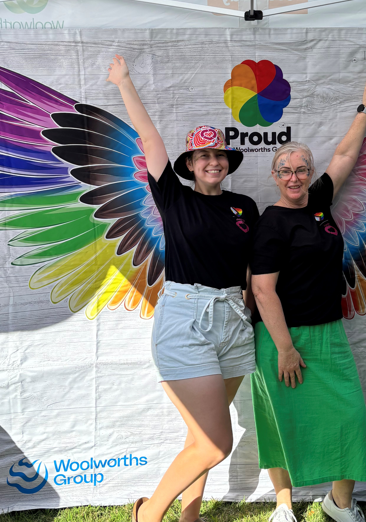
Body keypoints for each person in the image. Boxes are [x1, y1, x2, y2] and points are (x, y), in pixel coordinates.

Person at [106, 55, 259, 522]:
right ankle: (148, 515)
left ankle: (188, 518)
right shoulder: (173, 197)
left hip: (234, 321)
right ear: (190, 164)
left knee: (200, 438)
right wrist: (124, 82)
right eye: (202, 156)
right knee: (216, 443)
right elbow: (149, 138)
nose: (212, 162)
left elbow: (252, 272)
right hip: (186, 319)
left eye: (218, 155)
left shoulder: (244, 205)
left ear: (226, 162)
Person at [250, 74, 366, 522]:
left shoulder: (318, 202)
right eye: (286, 171)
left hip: (329, 332)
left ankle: (339, 503)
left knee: (348, 414)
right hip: (281, 337)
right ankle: (284, 505)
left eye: (302, 169)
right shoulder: (271, 223)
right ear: (274, 176)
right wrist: (286, 348)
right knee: (279, 419)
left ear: (310, 173)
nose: (295, 177)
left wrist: (365, 108)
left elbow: (346, 154)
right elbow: (261, 289)